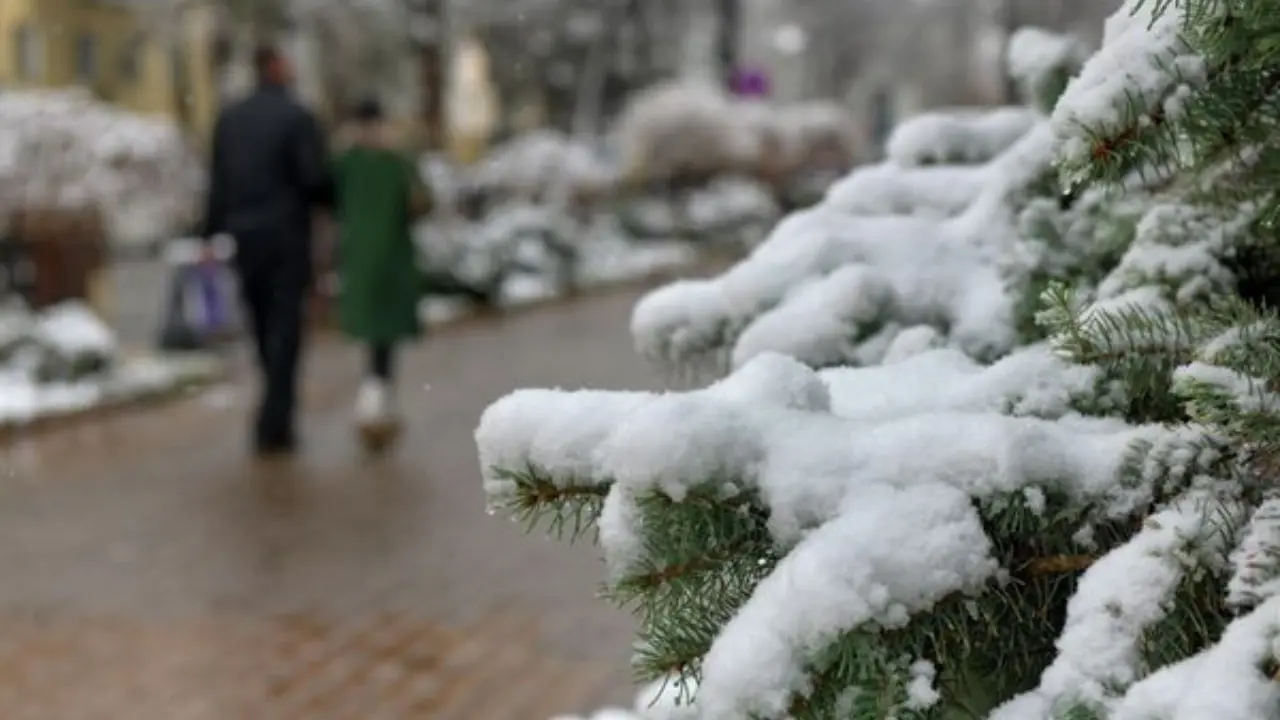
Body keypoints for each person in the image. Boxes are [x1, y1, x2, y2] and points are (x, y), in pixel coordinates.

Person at [202, 45, 333, 455]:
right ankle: (275, 419)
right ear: (276, 67)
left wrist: (210, 234)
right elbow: (314, 179)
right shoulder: (298, 117)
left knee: (261, 324)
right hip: (286, 236)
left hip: (245, 237)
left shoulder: (230, 120)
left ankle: (273, 411)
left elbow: (218, 184)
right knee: (286, 327)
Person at [332, 98, 431, 451]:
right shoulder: (350, 164)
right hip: (369, 260)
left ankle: (376, 401)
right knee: (377, 334)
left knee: (382, 334)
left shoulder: (391, 162)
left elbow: (421, 202)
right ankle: (375, 402)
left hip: (387, 260)